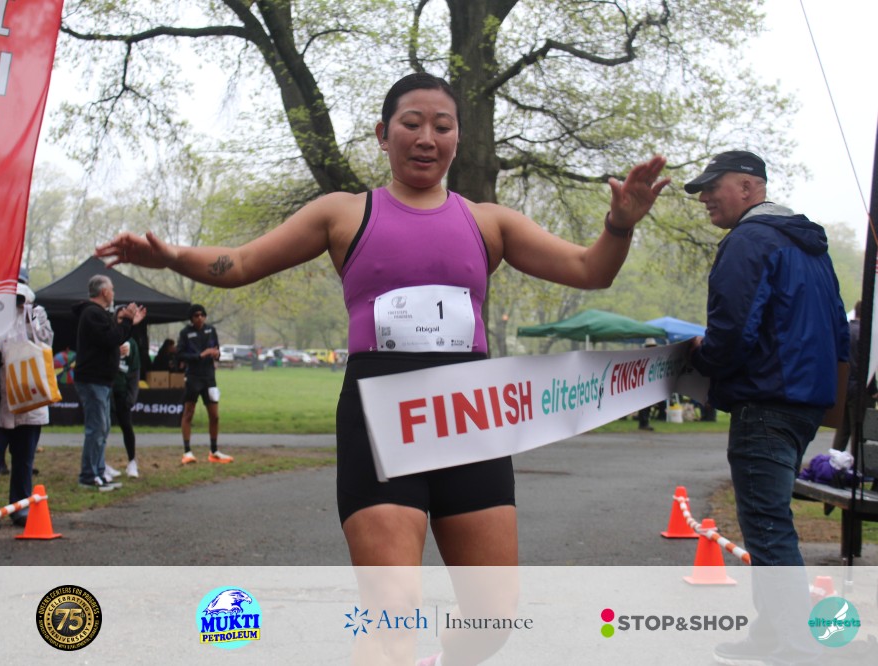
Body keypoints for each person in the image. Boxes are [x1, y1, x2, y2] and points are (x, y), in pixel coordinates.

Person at [97, 73, 666, 663]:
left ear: (458, 138)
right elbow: (239, 264)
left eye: (442, 126)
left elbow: (590, 269)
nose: (426, 138)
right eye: (411, 124)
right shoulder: (344, 213)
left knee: (493, 618)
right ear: (382, 133)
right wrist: (171, 256)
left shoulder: (489, 222)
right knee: (392, 619)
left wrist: (619, 224)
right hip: (381, 419)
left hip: (470, 418)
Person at [684, 150, 849, 665]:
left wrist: (700, 359)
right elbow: (840, 332)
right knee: (768, 519)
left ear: (749, 187)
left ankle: (797, 647)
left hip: (766, 401)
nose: (705, 198)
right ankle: (771, 635)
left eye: (713, 186)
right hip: (805, 402)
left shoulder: (750, 240)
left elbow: (732, 330)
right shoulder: (811, 248)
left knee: (768, 525)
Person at [0, 277, 53, 529]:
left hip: (30, 398)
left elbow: (46, 340)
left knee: (24, 459)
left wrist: (28, 312)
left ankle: (20, 507)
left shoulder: (36, 312)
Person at [73, 274, 146, 491]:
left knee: (102, 428)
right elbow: (111, 338)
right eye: (112, 289)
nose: (113, 293)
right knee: (96, 428)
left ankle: (99, 471)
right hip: (92, 380)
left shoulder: (99, 314)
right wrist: (127, 321)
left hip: (102, 380)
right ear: (104, 292)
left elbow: (113, 338)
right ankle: (89, 475)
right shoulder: (92, 313)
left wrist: (128, 324)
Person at [176, 304, 233, 464]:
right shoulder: (185, 333)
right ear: (191, 318)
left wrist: (216, 354)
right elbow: (180, 354)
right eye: (196, 315)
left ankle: (214, 451)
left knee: (214, 416)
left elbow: (217, 350)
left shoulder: (211, 330)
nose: (200, 318)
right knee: (188, 413)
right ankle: (187, 452)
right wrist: (200, 355)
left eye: (202, 315)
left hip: (209, 378)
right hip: (193, 377)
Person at [832, 301, 874, 452]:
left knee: (842, 430)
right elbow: (867, 363)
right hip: (860, 387)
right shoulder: (866, 334)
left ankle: (836, 461)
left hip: (843, 386)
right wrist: (873, 388)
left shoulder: (845, 330)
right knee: (859, 430)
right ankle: (857, 462)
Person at [111, 333, 141, 478]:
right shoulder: (107, 336)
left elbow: (135, 371)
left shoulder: (131, 343)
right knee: (102, 428)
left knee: (127, 426)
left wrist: (131, 396)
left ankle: (132, 461)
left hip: (122, 391)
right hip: (106, 389)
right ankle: (100, 464)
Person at [637, 337, 658, 431]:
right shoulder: (643, 357)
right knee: (644, 404)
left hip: (649, 384)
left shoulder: (654, 357)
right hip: (643, 384)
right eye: (650, 346)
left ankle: (645, 422)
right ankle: (643, 422)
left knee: (648, 404)